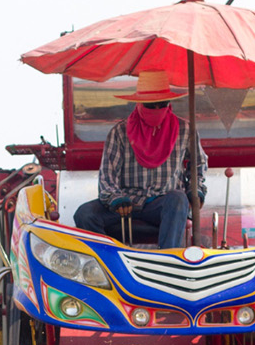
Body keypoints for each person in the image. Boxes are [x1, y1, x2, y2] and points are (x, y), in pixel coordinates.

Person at [73, 70, 207, 250]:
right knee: (85, 214)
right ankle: (106, 262)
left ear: (169, 104)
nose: (157, 109)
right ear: (140, 104)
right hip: (125, 203)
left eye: (162, 104)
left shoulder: (185, 129)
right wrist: (115, 198)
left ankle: (168, 261)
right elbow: (107, 175)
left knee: (179, 199)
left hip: (162, 201)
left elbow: (199, 164)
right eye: (151, 105)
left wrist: (196, 190)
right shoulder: (119, 132)